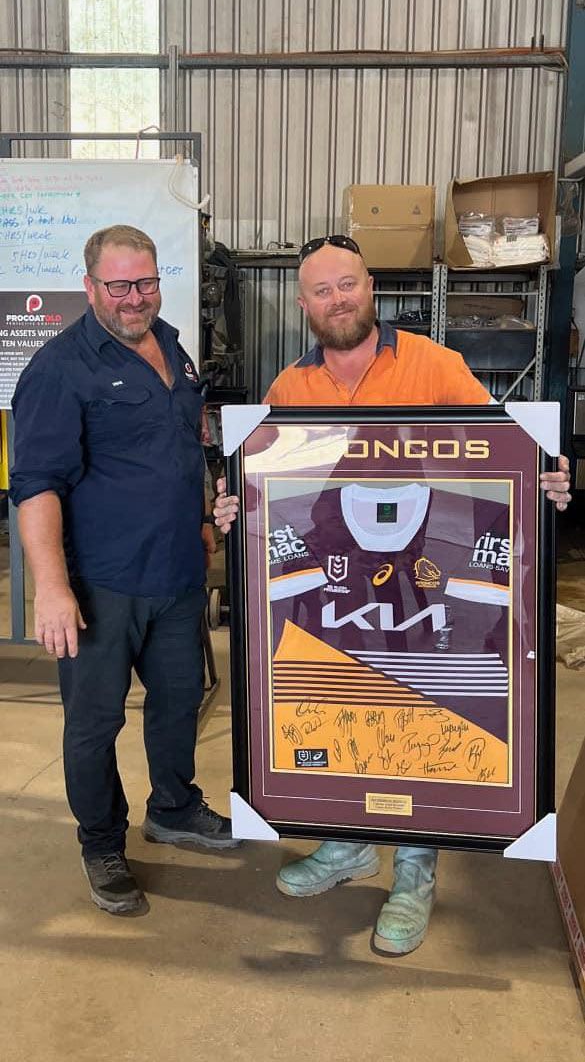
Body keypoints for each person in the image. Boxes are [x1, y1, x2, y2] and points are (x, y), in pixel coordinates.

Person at [213, 233, 570, 956]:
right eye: (320, 290)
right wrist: (234, 511)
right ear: (304, 302)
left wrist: (544, 478)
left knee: (417, 716)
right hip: (336, 586)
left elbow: (497, 451)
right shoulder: (290, 387)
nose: (336, 300)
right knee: (346, 710)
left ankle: (414, 869)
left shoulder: (435, 366)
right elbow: (276, 492)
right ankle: (348, 845)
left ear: (368, 286)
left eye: (347, 284)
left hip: (425, 583)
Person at [10, 224, 239, 918]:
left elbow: (181, 449)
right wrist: (51, 587)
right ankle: (101, 843)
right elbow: (36, 486)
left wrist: (201, 521)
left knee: (176, 703)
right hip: (100, 584)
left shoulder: (173, 347)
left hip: (174, 575)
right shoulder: (58, 369)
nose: (135, 298)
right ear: (90, 287)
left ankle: (172, 806)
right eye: (119, 286)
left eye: (145, 282)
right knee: (95, 721)